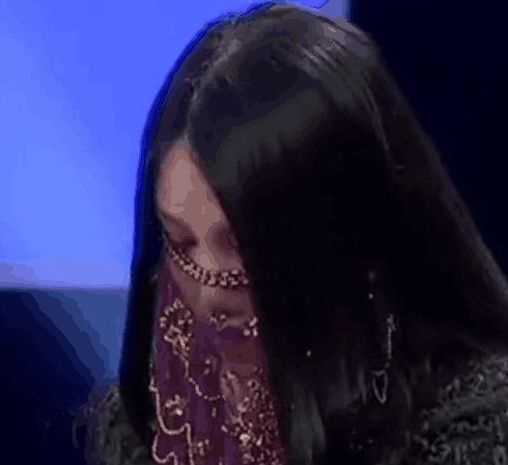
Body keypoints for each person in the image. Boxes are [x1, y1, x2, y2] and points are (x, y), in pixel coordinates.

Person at [76, 2, 508, 465]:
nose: (207, 292)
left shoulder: (477, 432)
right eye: (181, 242)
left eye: (239, 246)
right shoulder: (147, 425)